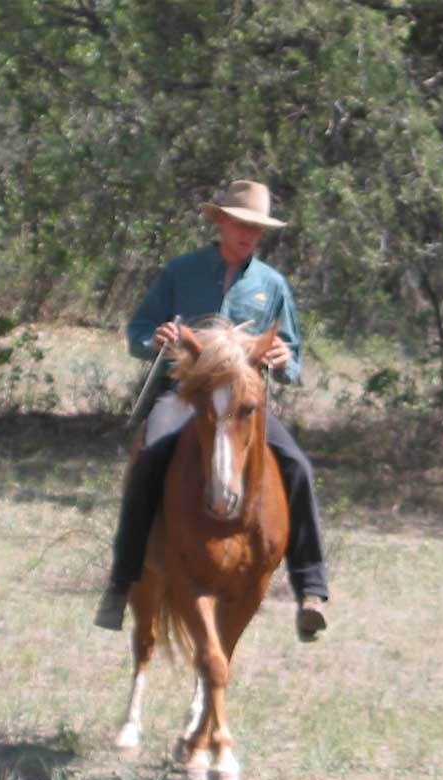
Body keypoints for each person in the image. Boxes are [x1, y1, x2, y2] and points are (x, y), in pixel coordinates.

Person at [93, 179, 329, 641]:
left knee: (297, 465)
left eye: (257, 230)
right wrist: (154, 339)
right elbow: (140, 330)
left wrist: (284, 360)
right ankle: (122, 581)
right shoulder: (181, 272)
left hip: (240, 403)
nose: (248, 236)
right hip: (184, 396)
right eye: (241, 225)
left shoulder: (272, 285)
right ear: (220, 221)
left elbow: (293, 356)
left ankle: (311, 591)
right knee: (148, 458)